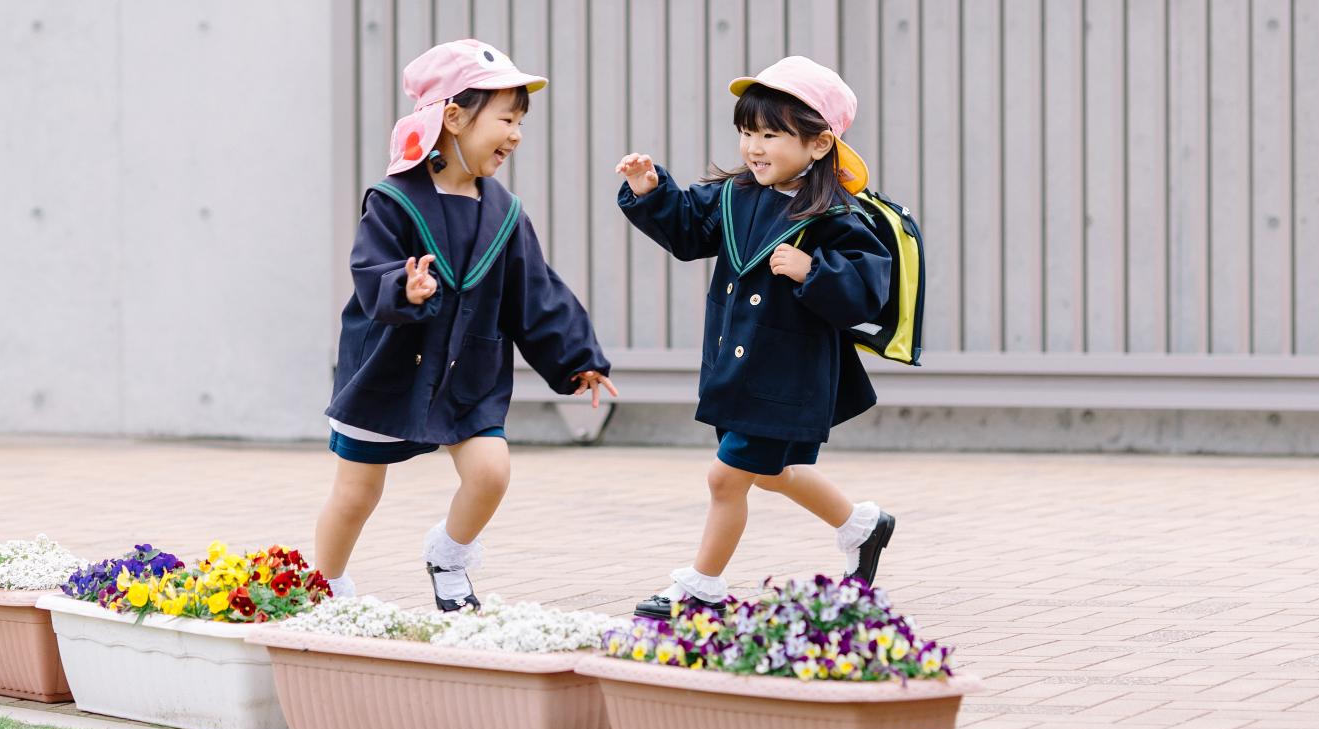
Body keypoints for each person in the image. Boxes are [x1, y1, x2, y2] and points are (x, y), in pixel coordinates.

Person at [317, 39, 619, 611]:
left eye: (520, 121)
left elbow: (536, 292)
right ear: (453, 118)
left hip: (468, 368)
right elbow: (369, 269)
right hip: (391, 365)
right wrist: (403, 288)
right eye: (506, 118)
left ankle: (449, 557)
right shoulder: (393, 200)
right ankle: (325, 583)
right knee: (356, 493)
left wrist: (578, 356)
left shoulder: (503, 212)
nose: (516, 134)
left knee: (491, 472)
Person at [616, 56, 895, 620]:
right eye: (747, 132)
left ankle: (701, 589)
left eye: (771, 134)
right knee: (767, 474)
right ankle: (862, 525)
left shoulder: (835, 213)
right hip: (736, 365)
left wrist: (811, 272)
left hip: (788, 374)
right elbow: (689, 229)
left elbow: (869, 287)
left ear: (819, 145)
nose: (754, 147)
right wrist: (650, 189)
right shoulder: (735, 196)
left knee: (726, 477)